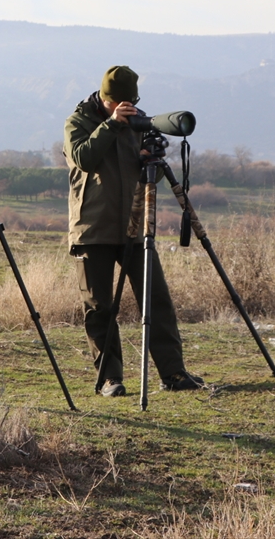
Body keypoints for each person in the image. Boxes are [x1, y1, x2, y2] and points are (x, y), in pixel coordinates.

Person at [64, 65, 203, 397]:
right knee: (99, 308)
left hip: (135, 225)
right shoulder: (78, 122)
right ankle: (109, 379)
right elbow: (84, 158)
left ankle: (173, 373)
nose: (126, 109)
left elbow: (133, 163)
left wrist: (145, 156)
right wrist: (111, 126)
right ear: (105, 99)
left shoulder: (138, 122)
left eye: (131, 103)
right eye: (118, 104)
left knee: (157, 301)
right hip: (92, 227)